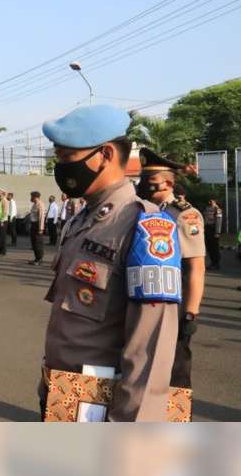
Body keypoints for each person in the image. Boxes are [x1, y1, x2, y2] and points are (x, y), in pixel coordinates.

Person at [38, 104, 181, 422]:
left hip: (101, 406)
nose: (60, 168)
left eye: (65, 158)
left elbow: (150, 348)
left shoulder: (145, 227)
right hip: (63, 393)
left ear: (103, 154)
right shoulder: (82, 219)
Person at [136, 148, 205, 416]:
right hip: (143, 301)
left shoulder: (184, 215)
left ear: (168, 183)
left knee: (175, 375)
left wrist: (190, 314)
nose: (143, 186)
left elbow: (196, 267)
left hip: (174, 306)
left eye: (149, 182)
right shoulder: (142, 211)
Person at [203, 199, 222, 270]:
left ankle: (216, 263)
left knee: (214, 248)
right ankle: (212, 262)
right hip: (207, 228)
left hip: (213, 229)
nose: (210, 202)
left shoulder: (218, 210)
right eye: (209, 200)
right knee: (209, 247)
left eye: (212, 201)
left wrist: (217, 232)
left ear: (215, 202)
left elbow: (219, 222)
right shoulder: (206, 208)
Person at [28, 191, 45, 265]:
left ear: (35, 197)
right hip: (33, 225)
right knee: (34, 242)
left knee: (38, 243)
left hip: (37, 225)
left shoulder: (40, 205)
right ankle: (36, 258)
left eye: (31, 196)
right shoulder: (34, 204)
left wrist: (40, 228)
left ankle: (40, 259)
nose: (30, 198)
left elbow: (41, 217)